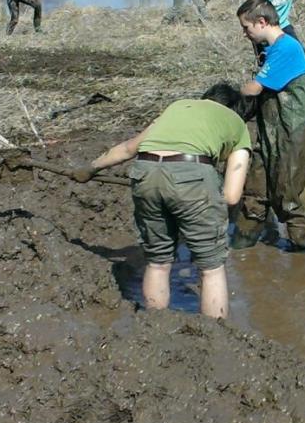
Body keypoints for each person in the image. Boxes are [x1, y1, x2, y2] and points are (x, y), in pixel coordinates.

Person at [80, 82, 252, 319]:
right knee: (211, 267)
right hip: (194, 174)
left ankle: (156, 325)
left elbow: (130, 148)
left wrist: (91, 168)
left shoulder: (177, 107)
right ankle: (216, 336)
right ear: (237, 110)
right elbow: (231, 196)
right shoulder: (238, 125)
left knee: (158, 261)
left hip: (145, 171)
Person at [232, 0, 305, 253]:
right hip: (271, 128)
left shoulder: (286, 49)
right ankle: (243, 239)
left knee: (286, 192)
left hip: (293, 130)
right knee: (255, 185)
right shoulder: (271, 50)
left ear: (261, 22)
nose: (244, 34)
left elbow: (254, 88)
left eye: (246, 28)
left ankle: (304, 248)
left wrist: (229, 97)